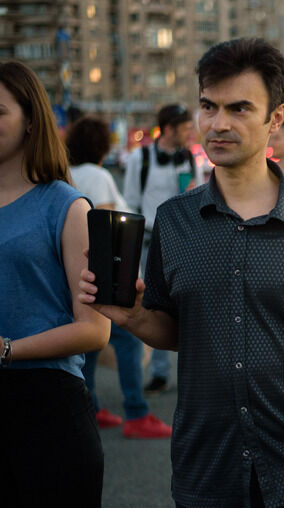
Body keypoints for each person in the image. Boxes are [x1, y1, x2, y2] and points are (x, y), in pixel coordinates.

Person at [80, 38, 284, 507]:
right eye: (208, 106)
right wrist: (133, 315)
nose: (218, 124)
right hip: (209, 469)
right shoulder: (175, 219)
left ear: (276, 118)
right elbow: (180, 331)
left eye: (240, 108)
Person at [0, 59, 110, 507]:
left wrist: (7, 349)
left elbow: (96, 329)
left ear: (30, 119)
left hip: (47, 410)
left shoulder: (68, 206)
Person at [66, 116, 173, 438]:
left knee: (90, 347)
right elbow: (112, 231)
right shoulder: (98, 177)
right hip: (107, 278)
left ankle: (92, 406)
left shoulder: (68, 175)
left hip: (81, 275)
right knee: (126, 341)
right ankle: (137, 413)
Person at [123, 103, 197, 394]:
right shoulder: (139, 159)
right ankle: (159, 373)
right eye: (186, 128)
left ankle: (188, 373)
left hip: (182, 240)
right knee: (153, 306)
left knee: (186, 303)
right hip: (147, 240)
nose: (191, 132)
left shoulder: (188, 157)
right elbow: (129, 201)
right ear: (168, 129)